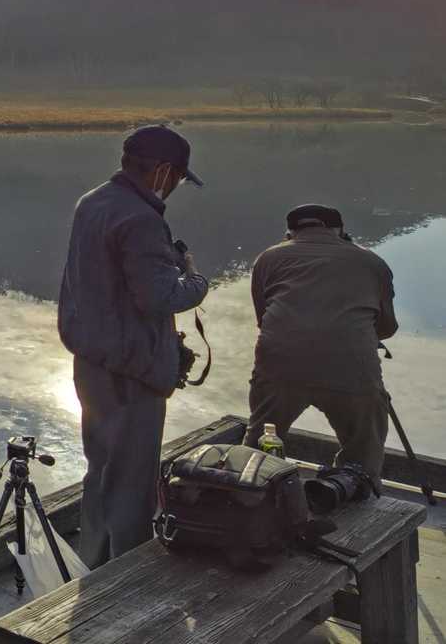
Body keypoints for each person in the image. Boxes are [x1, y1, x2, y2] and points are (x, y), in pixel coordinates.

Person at [57, 126, 209, 568]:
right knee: (131, 482)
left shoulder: (92, 201)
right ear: (161, 170)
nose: (175, 186)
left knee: (101, 470)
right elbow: (160, 297)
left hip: (92, 361)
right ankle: (124, 580)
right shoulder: (141, 218)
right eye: (177, 177)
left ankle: (94, 566)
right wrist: (195, 279)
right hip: (130, 370)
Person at [245, 203, 398, 479]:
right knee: (364, 441)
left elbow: (263, 318)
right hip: (352, 365)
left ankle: (251, 486)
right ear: (340, 231)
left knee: (261, 438)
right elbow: (387, 327)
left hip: (280, 362)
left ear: (290, 233)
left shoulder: (268, 258)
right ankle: (354, 485)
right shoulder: (372, 262)